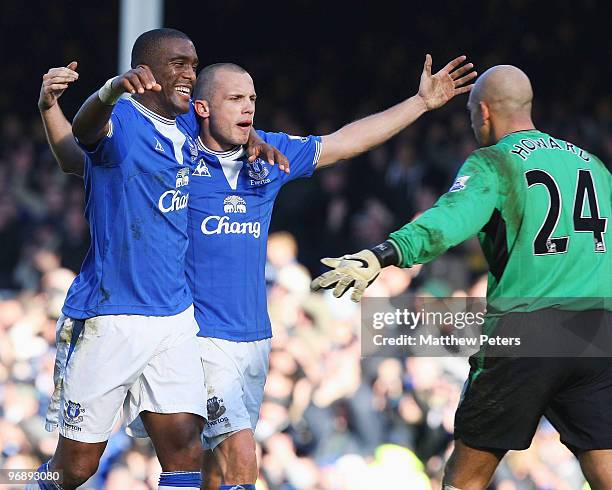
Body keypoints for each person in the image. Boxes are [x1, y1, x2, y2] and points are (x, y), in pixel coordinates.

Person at [40, 54, 475, 489]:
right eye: (234, 98)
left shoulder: (268, 155)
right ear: (201, 107)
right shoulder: (171, 151)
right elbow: (81, 158)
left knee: (210, 471)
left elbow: (342, 142)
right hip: (195, 334)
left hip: (252, 337)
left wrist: (419, 103)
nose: (248, 107)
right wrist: (53, 108)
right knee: (241, 457)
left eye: (252, 98)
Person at [311, 65, 612, 490]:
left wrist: (383, 254)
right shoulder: (595, 167)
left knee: (464, 476)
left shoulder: (495, 162)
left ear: (484, 113)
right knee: (605, 464)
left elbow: (447, 221)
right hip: (598, 332)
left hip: (529, 329)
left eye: (471, 113)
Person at [35, 28, 209, 490]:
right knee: (76, 468)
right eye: (179, 64)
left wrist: (257, 146)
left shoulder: (191, 121)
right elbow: (85, 134)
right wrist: (106, 90)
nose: (191, 73)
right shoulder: (122, 117)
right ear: (147, 72)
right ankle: (24, 482)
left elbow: (74, 160)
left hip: (174, 315)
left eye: (194, 64)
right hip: (109, 316)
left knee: (186, 452)